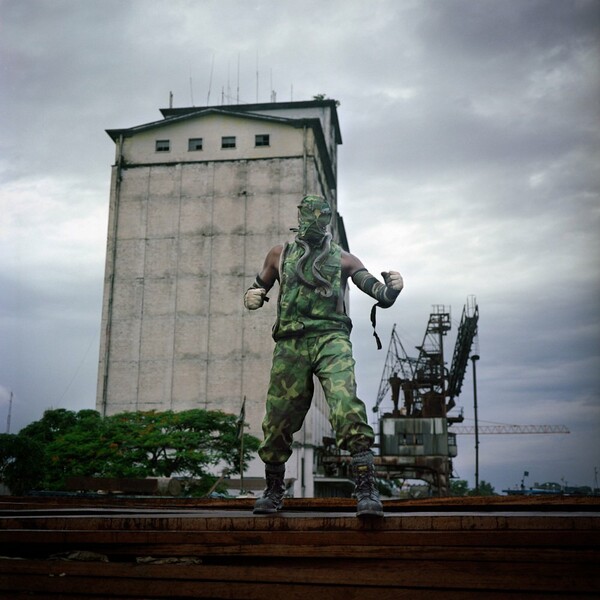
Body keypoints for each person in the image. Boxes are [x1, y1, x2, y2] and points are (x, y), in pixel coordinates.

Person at [244, 195, 403, 516]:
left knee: (346, 405)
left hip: (331, 339)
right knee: (278, 416)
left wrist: (391, 292)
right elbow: (259, 285)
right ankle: (274, 489)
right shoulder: (280, 254)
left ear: (328, 220)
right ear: (300, 216)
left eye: (321, 216)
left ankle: (366, 489)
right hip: (291, 342)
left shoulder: (345, 260)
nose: (315, 221)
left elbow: (375, 291)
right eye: (310, 215)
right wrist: (253, 295)